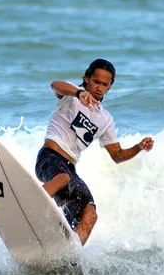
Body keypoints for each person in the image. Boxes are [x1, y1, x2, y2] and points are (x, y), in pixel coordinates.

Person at [35, 59, 154, 246]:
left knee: (90, 213)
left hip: (69, 170)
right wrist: (78, 93)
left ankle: (71, 253)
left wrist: (138, 147)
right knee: (63, 178)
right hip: (49, 157)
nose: (99, 88)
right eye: (96, 82)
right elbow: (55, 85)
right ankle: (31, 207)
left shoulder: (105, 119)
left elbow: (117, 155)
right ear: (87, 78)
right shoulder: (72, 94)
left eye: (105, 84)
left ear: (110, 86)